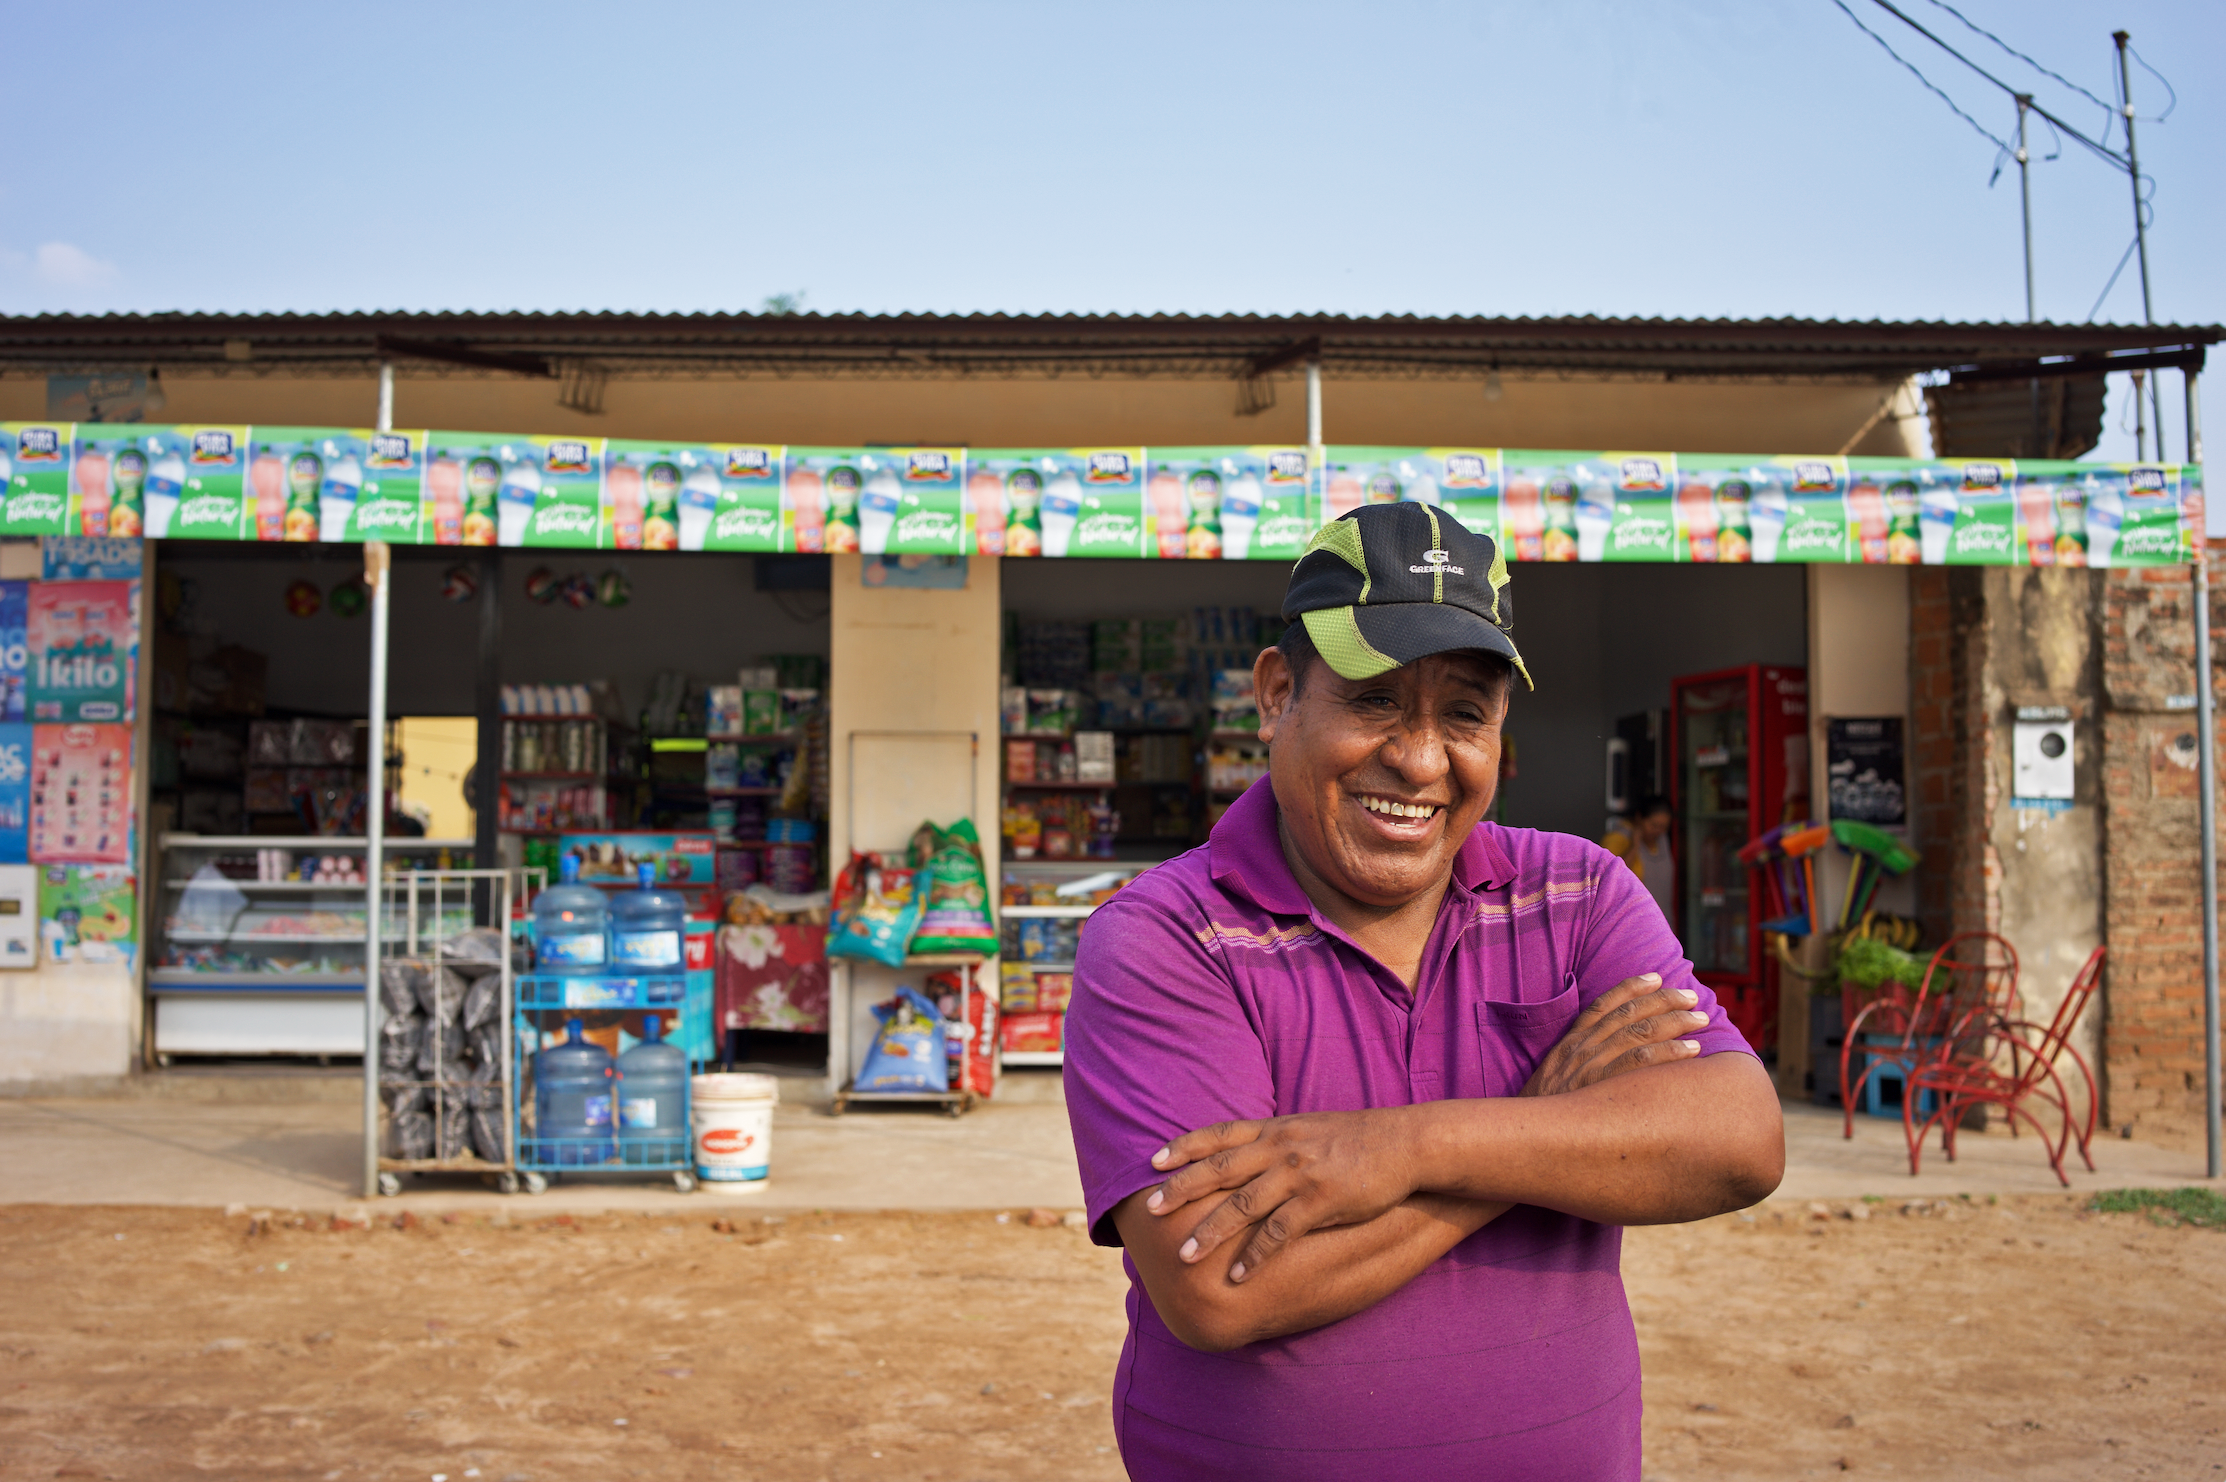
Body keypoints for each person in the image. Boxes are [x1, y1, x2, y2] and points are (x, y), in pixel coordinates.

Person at [1064, 503, 1783, 1481]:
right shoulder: (1167, 937)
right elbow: (1219, 1288)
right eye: (1374, 701)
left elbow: (1738, 1142)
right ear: (1277, 695)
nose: (1420, 757)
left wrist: (1405, 1148)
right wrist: (1542, 1121)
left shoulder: (1577, 895)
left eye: (1464, 713)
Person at [1602, 792, 1675, 923]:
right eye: (1654, 825)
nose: (1658, 831)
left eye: (1664, 827)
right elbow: (1610, 879)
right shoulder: (1617, 839)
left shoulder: (1662, 841)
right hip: (1633, 925)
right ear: (1639, 817)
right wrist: (1634, 845)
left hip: (1662, 922)